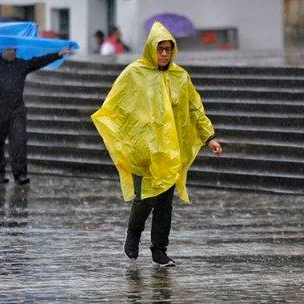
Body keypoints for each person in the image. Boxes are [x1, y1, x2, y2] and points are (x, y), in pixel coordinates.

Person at [91, 22, 223, 267]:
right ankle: (133, 235)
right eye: (160, 49)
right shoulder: (134, 73)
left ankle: (159, 250)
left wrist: (209, 137)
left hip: (170, 149)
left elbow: (194, 108)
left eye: (168, 49)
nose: (164, 54)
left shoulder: (180, 77)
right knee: (144, 199)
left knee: (164, 202)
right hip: (143, 149)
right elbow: (117, 103)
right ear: (151, 49)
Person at [0, 37, 74, 184]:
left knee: (19, 143)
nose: (13, 52)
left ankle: (20, 174)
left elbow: (39, 61)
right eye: (10, 50)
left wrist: (58, 54)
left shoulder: (21, 65)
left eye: (15, 50)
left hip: (16, 111)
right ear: (3, 50)